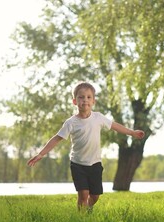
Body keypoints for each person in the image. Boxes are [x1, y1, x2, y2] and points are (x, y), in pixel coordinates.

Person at [27, 82, 145, 213]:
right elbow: (56, 138)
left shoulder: (98, 118)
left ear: (93, 101)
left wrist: (132, 133)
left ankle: (88, 208)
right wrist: (41, 154)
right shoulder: (71, 122)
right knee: (83, 194)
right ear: (74, 101)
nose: (85, 100)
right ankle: (81, 218)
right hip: (78, 164)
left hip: (95, 163)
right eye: (81, 97)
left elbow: (115, 126)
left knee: (95, 196)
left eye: (89, 97)